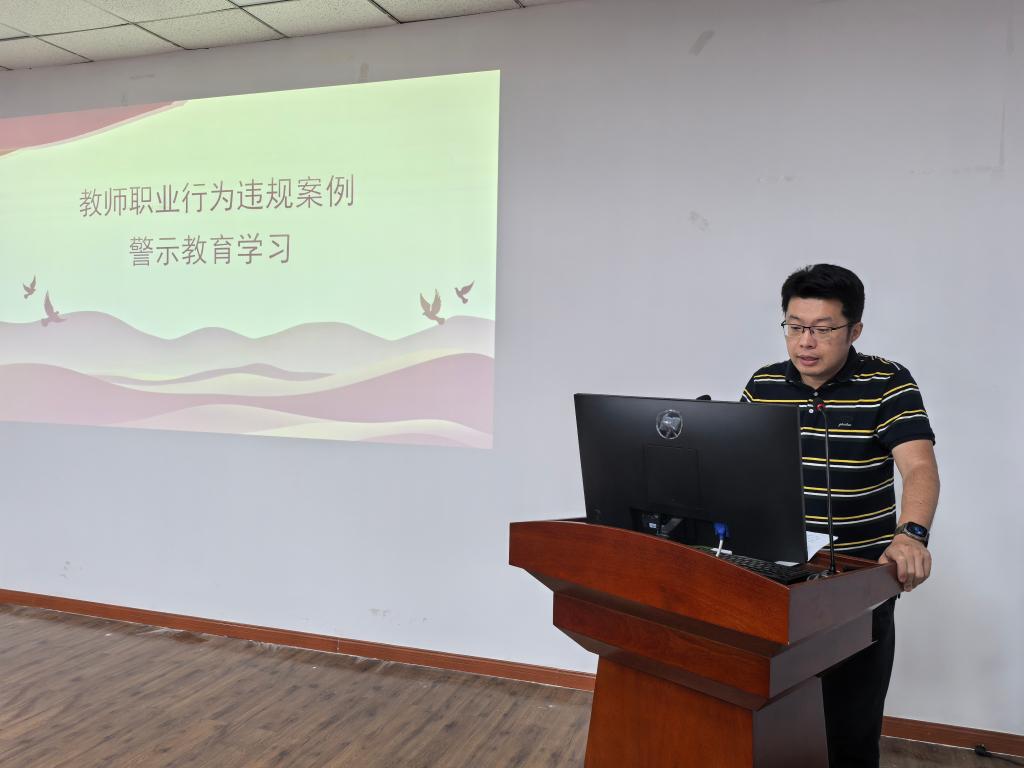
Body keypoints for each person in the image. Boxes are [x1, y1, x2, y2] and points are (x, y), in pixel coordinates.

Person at [741, 264, 940, 768]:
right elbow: (737, 467)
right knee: (769, 716)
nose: (805, 342)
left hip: (857, 581)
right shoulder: (764, 384)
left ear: (855, 331)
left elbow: (918, 467)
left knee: (849, 728)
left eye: (823, 329)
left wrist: (912, 535)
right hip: (775, 575)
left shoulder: (887, 382)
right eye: (794, 326)